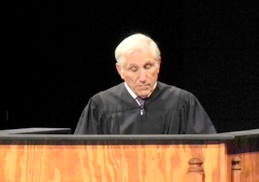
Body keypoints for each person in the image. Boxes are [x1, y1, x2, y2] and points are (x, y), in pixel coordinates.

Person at [75, 33, 216, 135]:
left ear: (159, 64)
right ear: (120, 71)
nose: (143, 77)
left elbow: (207, 152)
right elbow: (82, 156)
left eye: (148, 66)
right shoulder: (101, 105)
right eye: (133, 69)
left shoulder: (183, 102)